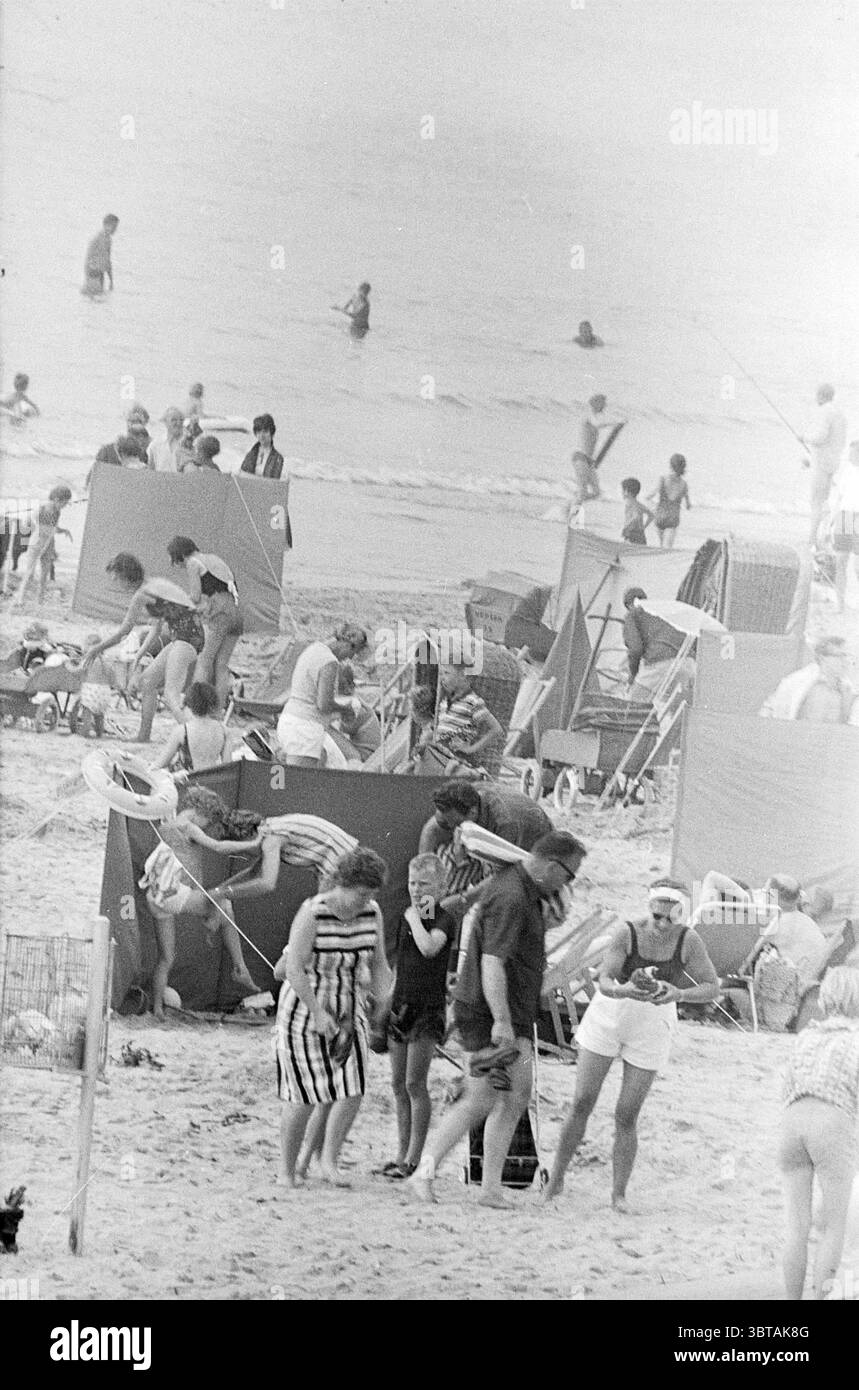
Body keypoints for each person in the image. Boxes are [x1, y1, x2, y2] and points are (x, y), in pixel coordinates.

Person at [408, 830, 586, 1209]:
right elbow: (492, 963)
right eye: (570, 876)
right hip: (490, 1013)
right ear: (552, 866)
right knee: (482, 1097)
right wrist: (502, 1021)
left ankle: (489, 1187)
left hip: (506, 1011)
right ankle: (424, 1172)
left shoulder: (519, 891)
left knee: (514, 1094)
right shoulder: (511, 896)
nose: (569, 885)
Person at [543, 879, 719, 1210]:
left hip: (653, 1022)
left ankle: (618, 1194)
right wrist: (625, 990)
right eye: (657, 916)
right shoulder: (627, 932)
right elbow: (605, 980)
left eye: (671, 918)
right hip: (611, 1013)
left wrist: (679, 993)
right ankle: (556, 1179)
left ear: (681, 916)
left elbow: (712, 987)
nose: (663, 924)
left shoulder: (689, 940)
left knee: (627, 1113)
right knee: (582, 1101)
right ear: (648, 910)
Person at [273, 846, 392, 1188]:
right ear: (342, 884)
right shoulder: (313, 913)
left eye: (371, 895)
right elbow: (293, 969)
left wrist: (385, 1001)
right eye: (361, 893)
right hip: (303, 1010)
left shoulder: (372, 912)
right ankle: (287, 1169)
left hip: (348, 1009)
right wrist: (317, 1011)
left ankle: (329, 1161)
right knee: (305, 1096)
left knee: (352, 1089)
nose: (365, 901)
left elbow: (379, 964)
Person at [138, 785, 262, 1018]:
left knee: (166, 958)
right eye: (208, 821)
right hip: (174, 893)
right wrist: (252, 845)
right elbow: (217, 846)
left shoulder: (165, 825)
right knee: (225, 902)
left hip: (156, 896)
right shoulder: (188, 826)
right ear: (198, 811)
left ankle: (157, 1010)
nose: (206, 826)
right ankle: (239, 966)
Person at [778, 966, 859, 1299]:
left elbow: (786, 1087)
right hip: (831, 1121)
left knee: (796, 1228)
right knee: (832, 1227)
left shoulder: (807, 1035)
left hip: (793, 1120)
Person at [380, 855, 456, 1179]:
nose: (415, 889)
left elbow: (429, 948)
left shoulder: (443, 919)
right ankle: (401, 1154)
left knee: (415, 1083)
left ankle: (414, 1158)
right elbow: (402, 964)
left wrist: (413, 919)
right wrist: (386, 1003)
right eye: (412, 882)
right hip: (403, 1004)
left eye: (423, 884)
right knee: (398, 1084)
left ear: (440, 887)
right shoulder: (410, 917)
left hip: (428, 1009)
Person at [82, 554, 203, 742]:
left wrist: (97, 648)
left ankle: (197, 737)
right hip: (187, 635)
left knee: (171, 694)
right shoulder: (154, 584)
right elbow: (156, 627)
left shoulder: (142, 594)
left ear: (125, 576)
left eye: (116, 578)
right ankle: (144, 735)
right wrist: (138, 656)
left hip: (186, 637)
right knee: (147, 681)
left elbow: (124, 631)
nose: (116, 584)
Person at [418, 780, 552, 922]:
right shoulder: (463, 798)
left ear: (472, 812)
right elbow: (431, 831)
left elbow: (502, 875)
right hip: (489, 840)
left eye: (456, 823)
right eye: (445, 822)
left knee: (499, 913)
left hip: (534, 858)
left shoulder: (505, 824)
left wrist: (463, 900)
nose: (451, 829)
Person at [213, 814, 358, 908]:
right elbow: (253, 873)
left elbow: (267, 884)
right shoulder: (268, 829)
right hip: (340, 854)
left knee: (325, 912)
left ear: (247, 837)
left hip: (340, 857)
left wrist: (222, 894)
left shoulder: (271, 840)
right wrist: (217, 890)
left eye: (242, 849)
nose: (246, 853)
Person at [275, 624, 370, 768]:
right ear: (348, 643)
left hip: (290, 720)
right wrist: (345, 709)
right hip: (305, 727)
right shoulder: (329, 662)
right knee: (299, 783)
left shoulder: (314, 649)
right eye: (353, 652)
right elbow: (324, 704)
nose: (350, 657)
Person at [167, 537, 243, 706]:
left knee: (204, 661)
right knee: (221, 664)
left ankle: (195, 705)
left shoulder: (193, 563)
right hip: (235, 612)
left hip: (219, 613)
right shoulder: (213, 559)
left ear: (179, 555)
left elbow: (194, 596)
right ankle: (218, 709)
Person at [738, 875, 827, 993]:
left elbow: (743, 957)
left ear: (771, 896)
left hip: (788, 992)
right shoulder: (805, 921)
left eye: (765, 892)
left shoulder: (775, 924)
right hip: (809, 983)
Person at [621, 587, 694, 702]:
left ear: (628, 605)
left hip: (661, 664)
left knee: (632, 703)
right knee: (670, 707)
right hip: (689, 664)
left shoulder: (633, 615)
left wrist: (632, 677)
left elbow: (635, 649)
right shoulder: (663, 611)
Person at [759, 635, 854, 723]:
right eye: (840, 656)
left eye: (847, 656)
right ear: (823, 658)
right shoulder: (797, 681)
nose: (846, 661)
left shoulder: (846, 690)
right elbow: (770, 709)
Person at [427, 664, 503, 772]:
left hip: (457, 758)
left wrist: (470, 749)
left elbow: (496, 729)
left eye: (447, 673)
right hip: (441, 756)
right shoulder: (444, 702)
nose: (442, 678)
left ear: (461, 675)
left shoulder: (472, 701)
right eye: (441, 674)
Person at [7, 486, 72, 607]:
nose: (65, 505)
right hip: (36, 543)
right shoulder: (41, 510)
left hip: (49, 544)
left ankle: (40, 601)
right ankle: (20, 599)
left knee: (44, 574)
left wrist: (63, 531)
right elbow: (29, 524)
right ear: (57, 499)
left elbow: (53, 528)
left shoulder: (57, 512)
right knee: (29, 573)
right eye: (64, 502)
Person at [150, 681, 231, 775]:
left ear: (190, 705)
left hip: (190, 782)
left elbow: (160, 764)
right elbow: (228, 767)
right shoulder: (225, 731)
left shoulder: (182, 731)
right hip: (212, 781)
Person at [801, 384, 848, 548]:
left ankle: (812, 539)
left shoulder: (824, 411)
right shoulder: (840, 415)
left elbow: (820, 437)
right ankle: (825, 534)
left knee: (816, 501)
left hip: (821, 463)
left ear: (820, 395)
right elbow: (838, 441)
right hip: (833, 463)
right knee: (825, 499)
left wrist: (804, 437)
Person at [570, 393, 624, 510]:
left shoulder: (594, 417)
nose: (604, 407)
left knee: (597, 492)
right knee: (582, 492)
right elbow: (598, 424)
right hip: (580, 457)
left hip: (589, 460)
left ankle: (570, 505)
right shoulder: (588, 416)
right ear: (596, 404)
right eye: (603, 404)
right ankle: (572, 518)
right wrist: (615, 423)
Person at [828, 439, 859, 613]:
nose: (849, 456)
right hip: (844, 517)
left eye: (853, 453)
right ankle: (840, 605)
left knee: (857, 567)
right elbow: (839, 497)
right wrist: (832, 520)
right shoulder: (846, 471)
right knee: (840, 562)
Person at [328, 661, 381, 762]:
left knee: (324, 727)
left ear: (350, 685)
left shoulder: (355, 704)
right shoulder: (354, 702)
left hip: (364, 756)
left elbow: (345, 726)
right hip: (361, 751)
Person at [648, 453, 691, 548]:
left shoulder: (663, 479)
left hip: (660, 516)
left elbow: (650, 496)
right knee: (667, 549)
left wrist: (652, 506)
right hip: (672, 519)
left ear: (671, 465)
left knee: (661, 547)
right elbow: (688, 506)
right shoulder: (684, 484)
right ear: (684, 466)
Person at [82, 214, 118, 296]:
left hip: (99, 273)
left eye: (116, 227)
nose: (115, 230)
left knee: (97, 300)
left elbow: (108, 261)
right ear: (106, 225)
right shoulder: (100, 238)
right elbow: (104, 260)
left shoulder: (108, 239)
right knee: (94, 299)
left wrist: (111, 280)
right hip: (93, 272)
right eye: (114, 226)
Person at [240, 415, 284, 479]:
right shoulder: (250, 454)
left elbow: (274, 483)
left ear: (271, 433)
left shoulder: (278, 458)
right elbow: (242, 475)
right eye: (259, 432)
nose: (261, 435)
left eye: (265, 431)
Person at [147, 408, 184, 472]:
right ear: (165, 422)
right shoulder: (155, 445)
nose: (178, 423)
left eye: (181, 420)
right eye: (174, 420)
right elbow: (150, 471)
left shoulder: (188, 444)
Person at [620, 478, 653, 545]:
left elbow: (636, 516)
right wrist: (644, 527)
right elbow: (651, 515)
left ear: (626, 491)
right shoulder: (639, 504)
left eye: (622, 490)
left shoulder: (629, 503)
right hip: (641, 534)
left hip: (632, 533)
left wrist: (626, 527)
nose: (621, 492)